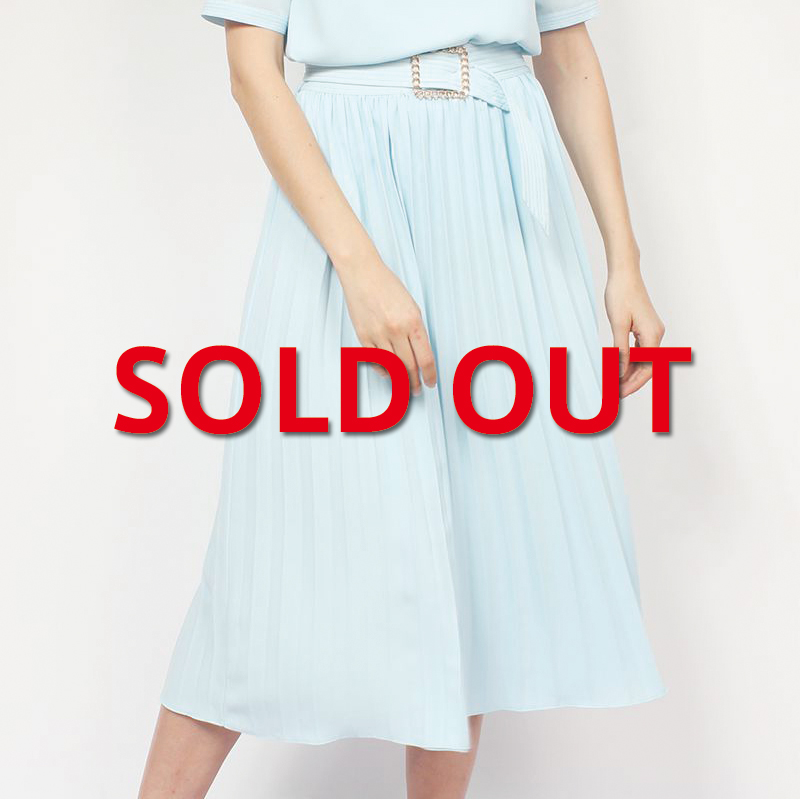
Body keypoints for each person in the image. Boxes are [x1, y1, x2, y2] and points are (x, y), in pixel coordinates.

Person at [140, 1, 666, 797]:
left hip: (500, 196)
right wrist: (359, 266)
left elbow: (568, 53)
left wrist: (624, 261)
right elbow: (252, 72)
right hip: (349, 189)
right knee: (269, 554)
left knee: (475, 549)